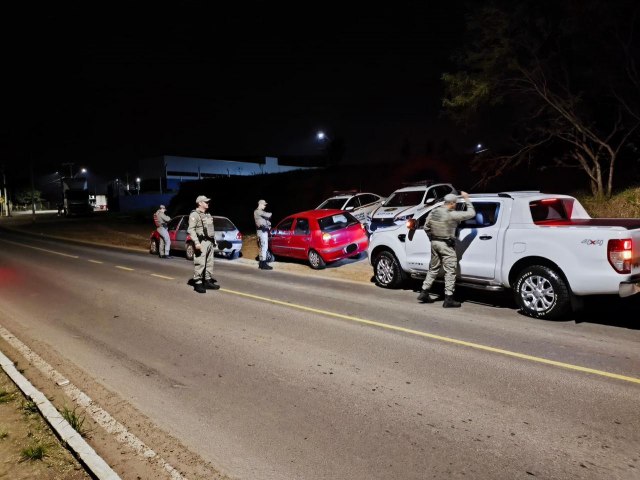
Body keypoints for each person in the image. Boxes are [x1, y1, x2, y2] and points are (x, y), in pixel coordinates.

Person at [417, 191, 475, 308]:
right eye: (455, 204)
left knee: (433, 268)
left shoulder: (434, 212)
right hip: (446, 245)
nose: (456, 205)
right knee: (450, 271)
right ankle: (448, 298)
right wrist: (467, 199)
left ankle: (424, 291)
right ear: (452, 203)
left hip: (434, 243)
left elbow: (426, 227)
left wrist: (432, 238)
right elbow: (472, 213)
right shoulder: (452, 214)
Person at [187, 195, 220, 293]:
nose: (208, 203)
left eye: (208, 202)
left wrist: (214, 241)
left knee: (210, 263)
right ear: (200, 203)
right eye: (205, 202)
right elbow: (191, 230)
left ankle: (207, 281)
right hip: (201, 242)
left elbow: (210, 229)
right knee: (200, 263)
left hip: (209, 242)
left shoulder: (207, 214)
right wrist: (196, 243)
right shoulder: (194, 215)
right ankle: (197, 282)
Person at [254, 199, 273, 270]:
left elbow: (267, 221)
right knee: (264, 247)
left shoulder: (259, 212)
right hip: (262, 232)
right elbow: (268, 215)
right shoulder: (258, 211)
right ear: (260, 204)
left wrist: (268, 223)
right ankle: (264, 264)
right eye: (264, 204)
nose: (265, 206)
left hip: (262, 231)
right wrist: (269, 215)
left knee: (262, 248)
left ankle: (261, 264)